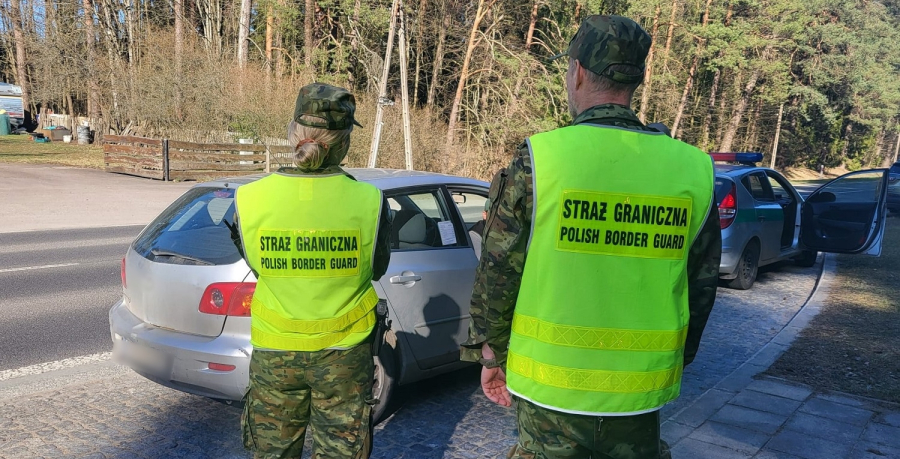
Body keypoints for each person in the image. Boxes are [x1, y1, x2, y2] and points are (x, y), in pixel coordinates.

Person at [460, 15, 722, 459]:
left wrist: (491, 354)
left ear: (577, 72)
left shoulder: (542, 158)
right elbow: (701, 285)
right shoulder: (693, 168)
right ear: (636, 78)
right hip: (640, 392)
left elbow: (500, 271)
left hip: (549, 391)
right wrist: (675, 360)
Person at [236, 82, 392, 459]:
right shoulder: (370, 201)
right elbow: (378, 268)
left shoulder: (249, 198)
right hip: (344, 355)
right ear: (344, 142)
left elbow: (256, 265)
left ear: (293, 133)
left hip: (275, 351)